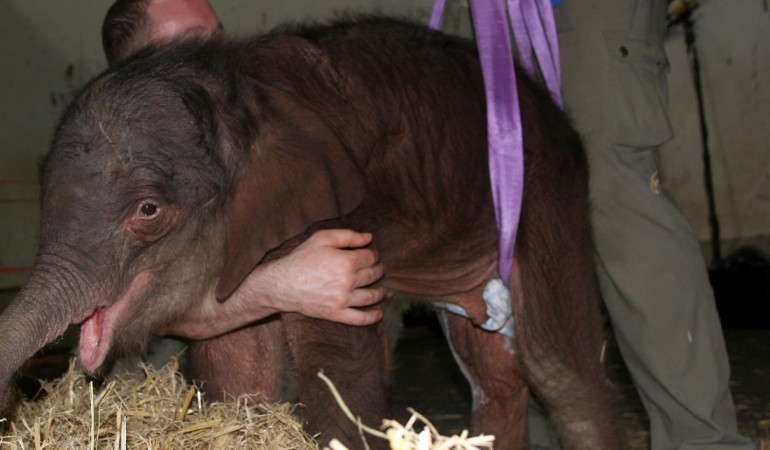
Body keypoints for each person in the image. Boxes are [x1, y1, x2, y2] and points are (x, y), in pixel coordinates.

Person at [527, 1, 753, 448]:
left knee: (616, 200)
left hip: (588, 14)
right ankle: (536, 437)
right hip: (507, 14)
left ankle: (701, 442)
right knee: (524, 217)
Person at [100, 0, 387, 342]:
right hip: (160, 364)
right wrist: (278, 287)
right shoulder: (109, 165)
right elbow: (122, 315)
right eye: (195, 41)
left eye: (218, 36)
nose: (222, 53)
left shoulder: (239, 117)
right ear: (137, 68)